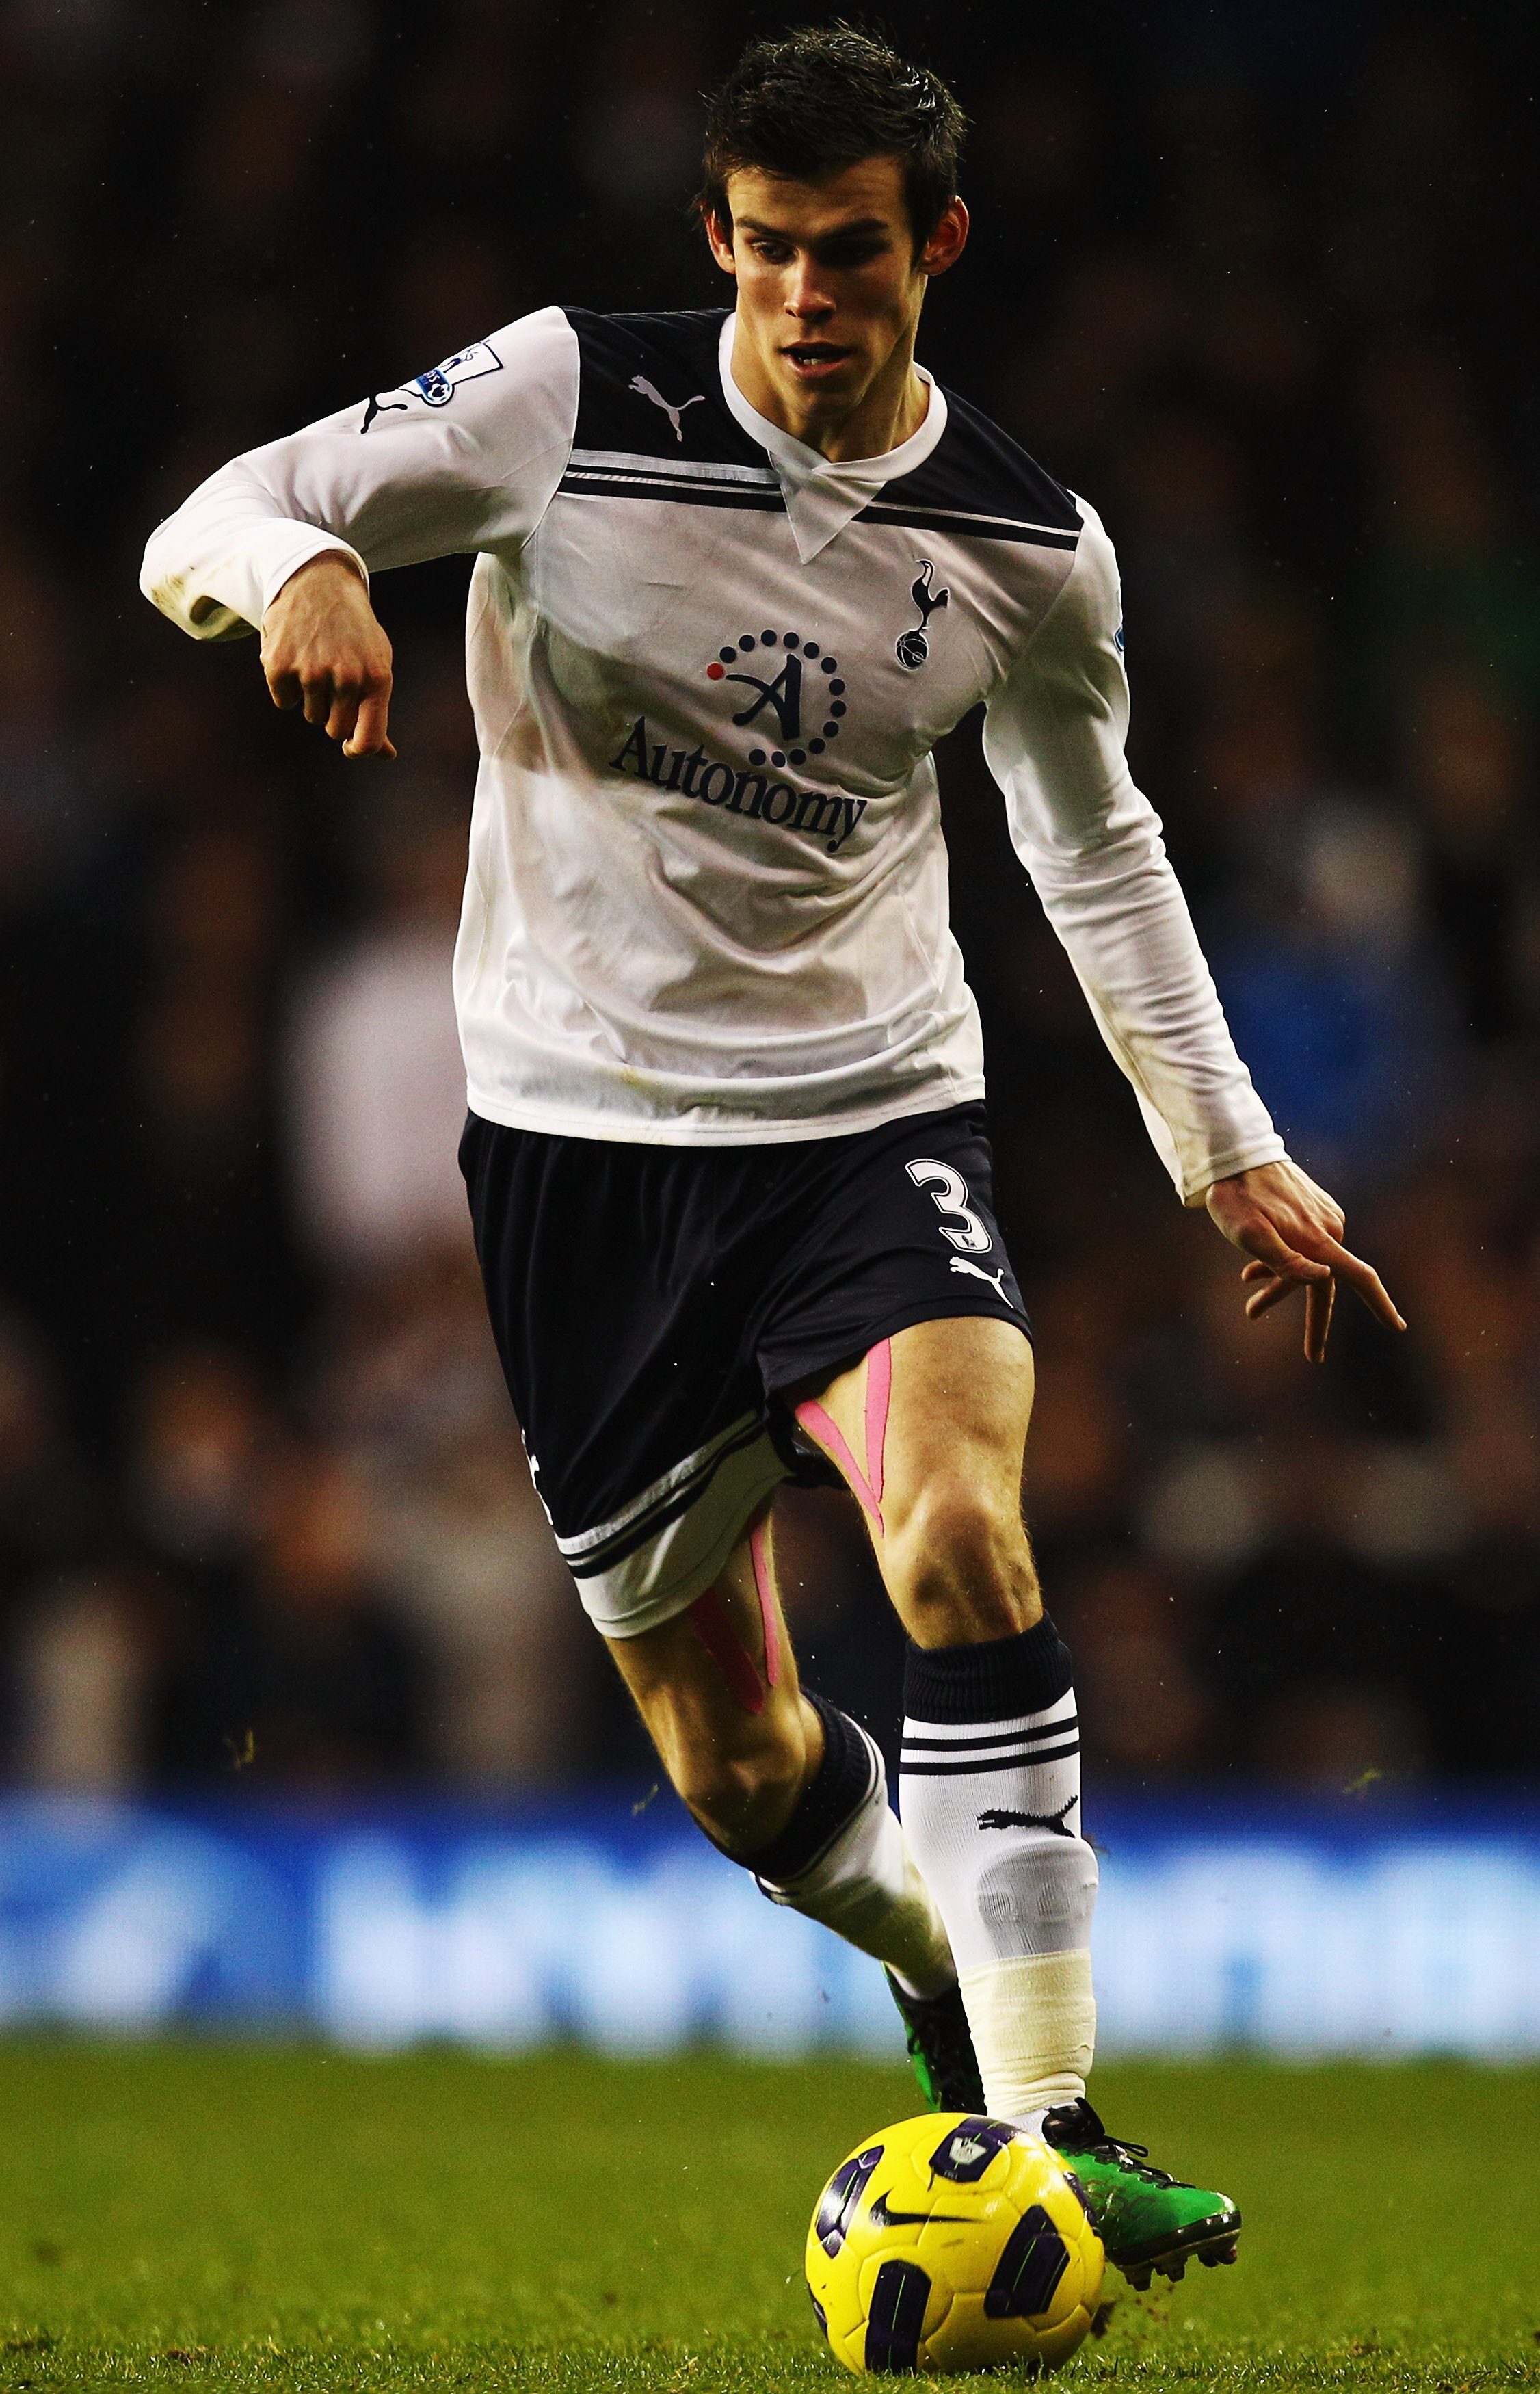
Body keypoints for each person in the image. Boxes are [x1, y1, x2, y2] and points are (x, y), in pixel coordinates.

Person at [141, 24, 1404, 2293]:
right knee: (735, 1764)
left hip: (865, 1119)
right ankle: (933, 1963)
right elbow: (212, 513)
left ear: (932, 245)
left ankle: (1049, 2121)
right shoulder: (562, 404)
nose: (800, 298)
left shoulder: (1028, 545)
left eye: (844, 253)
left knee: (955, 1528)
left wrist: (1228, 1149)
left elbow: (1093, 852)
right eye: (758, 252)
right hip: (576, 1159)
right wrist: (296, 579)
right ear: (712, 242)